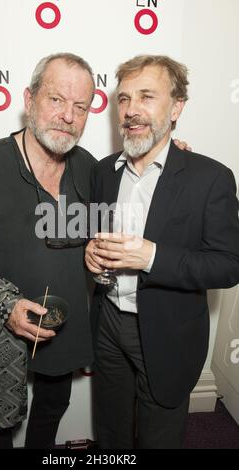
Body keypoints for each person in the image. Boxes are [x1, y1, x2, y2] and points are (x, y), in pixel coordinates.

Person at [0, 52, 96, 449]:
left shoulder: (91, 170)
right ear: (29, 99)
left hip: (64, 328)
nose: (67, 115)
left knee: (53, 404)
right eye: (56, 99)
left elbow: (136, 195)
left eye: (80, 106)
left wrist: (168, 153)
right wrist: (5, 306)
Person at [85, 54, 239, 449]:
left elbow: (228, 265)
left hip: (167, 333)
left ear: (177, 107)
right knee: (110, 432)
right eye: (124, 99)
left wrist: (152, 257)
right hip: (107, 325)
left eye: (147, 96)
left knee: (159, 437)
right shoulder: (103, 172)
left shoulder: (212, 178)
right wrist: (90, 254)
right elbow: (92, 237)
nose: (131, 110)